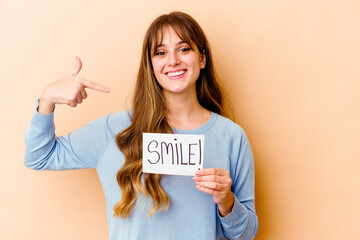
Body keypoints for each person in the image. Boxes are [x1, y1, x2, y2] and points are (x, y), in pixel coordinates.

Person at [25, 11, 258, 240]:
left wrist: (227, 202)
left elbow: (246, 234)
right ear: (150, 64)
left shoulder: (231, 137)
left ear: (202, 58)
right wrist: (47, 100)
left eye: (184, 49)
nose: (173, 60)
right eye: (160, 52)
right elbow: (39, 157)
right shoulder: (116, 129)